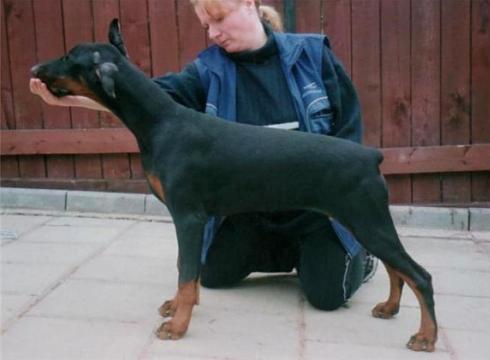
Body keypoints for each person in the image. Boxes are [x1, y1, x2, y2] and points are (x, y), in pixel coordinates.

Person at [30, 0, 377, 311]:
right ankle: (290, 254)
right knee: (212, 274)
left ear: (250, 4)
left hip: (316, 212)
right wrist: (68, 99)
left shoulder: (313, 56)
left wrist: (348, 206)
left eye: (219, 19)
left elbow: (348, 137)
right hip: (251, 210)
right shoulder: (207, 71)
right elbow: (140, 100)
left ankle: (356, 254)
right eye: (206, 26)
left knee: (329, 296)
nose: (213, 34)